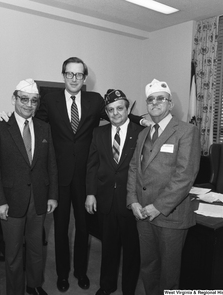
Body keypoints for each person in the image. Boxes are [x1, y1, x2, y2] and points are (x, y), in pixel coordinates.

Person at [0, 57, 150, 292]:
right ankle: (62, 275)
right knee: (60, 228)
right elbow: (28, 119)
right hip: (58, 176)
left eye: (79, 74)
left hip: (86, 177)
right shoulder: (50, 100)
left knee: (83, 228)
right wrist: (8, 116)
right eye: (70, 74)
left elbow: (116, 112)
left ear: (84, 77)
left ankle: (80, 272)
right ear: (63, 75)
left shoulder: (95, 100)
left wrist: (140, 119)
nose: (74, 78)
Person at [0, 79, 58, 295]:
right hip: (10, 201)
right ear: (14, 99)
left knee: (36, 249)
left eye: (34, 100)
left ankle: (34, 286)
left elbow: (51, 164)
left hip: (39, 199)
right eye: (24, 99)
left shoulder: (45, 128)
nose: (28, 104)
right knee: (14, 253)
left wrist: (52, 195)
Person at [126, 79, 201, 295]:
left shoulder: (186, 131)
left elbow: (185, 176)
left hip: (171, 216)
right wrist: (132, 201)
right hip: (143, 214)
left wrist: (157, 206)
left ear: (170, 104)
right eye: (151, 99)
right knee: (148, 267)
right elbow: (133, 169)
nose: (155, 103)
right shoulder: (142, 134)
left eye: (161, 98)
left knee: (169, 274)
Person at [86, 89, 143, 295]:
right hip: (106, 200)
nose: (115, 113)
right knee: (108, 248)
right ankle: (107, 286)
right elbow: (92, 165)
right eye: (110, 110)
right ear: (106, 113)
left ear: (128, 109)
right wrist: (90, 193)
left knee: (131, 251)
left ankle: (129, 289)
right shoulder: (98, 133)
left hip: (131, 201)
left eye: (120, 108)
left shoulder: (140, 133)